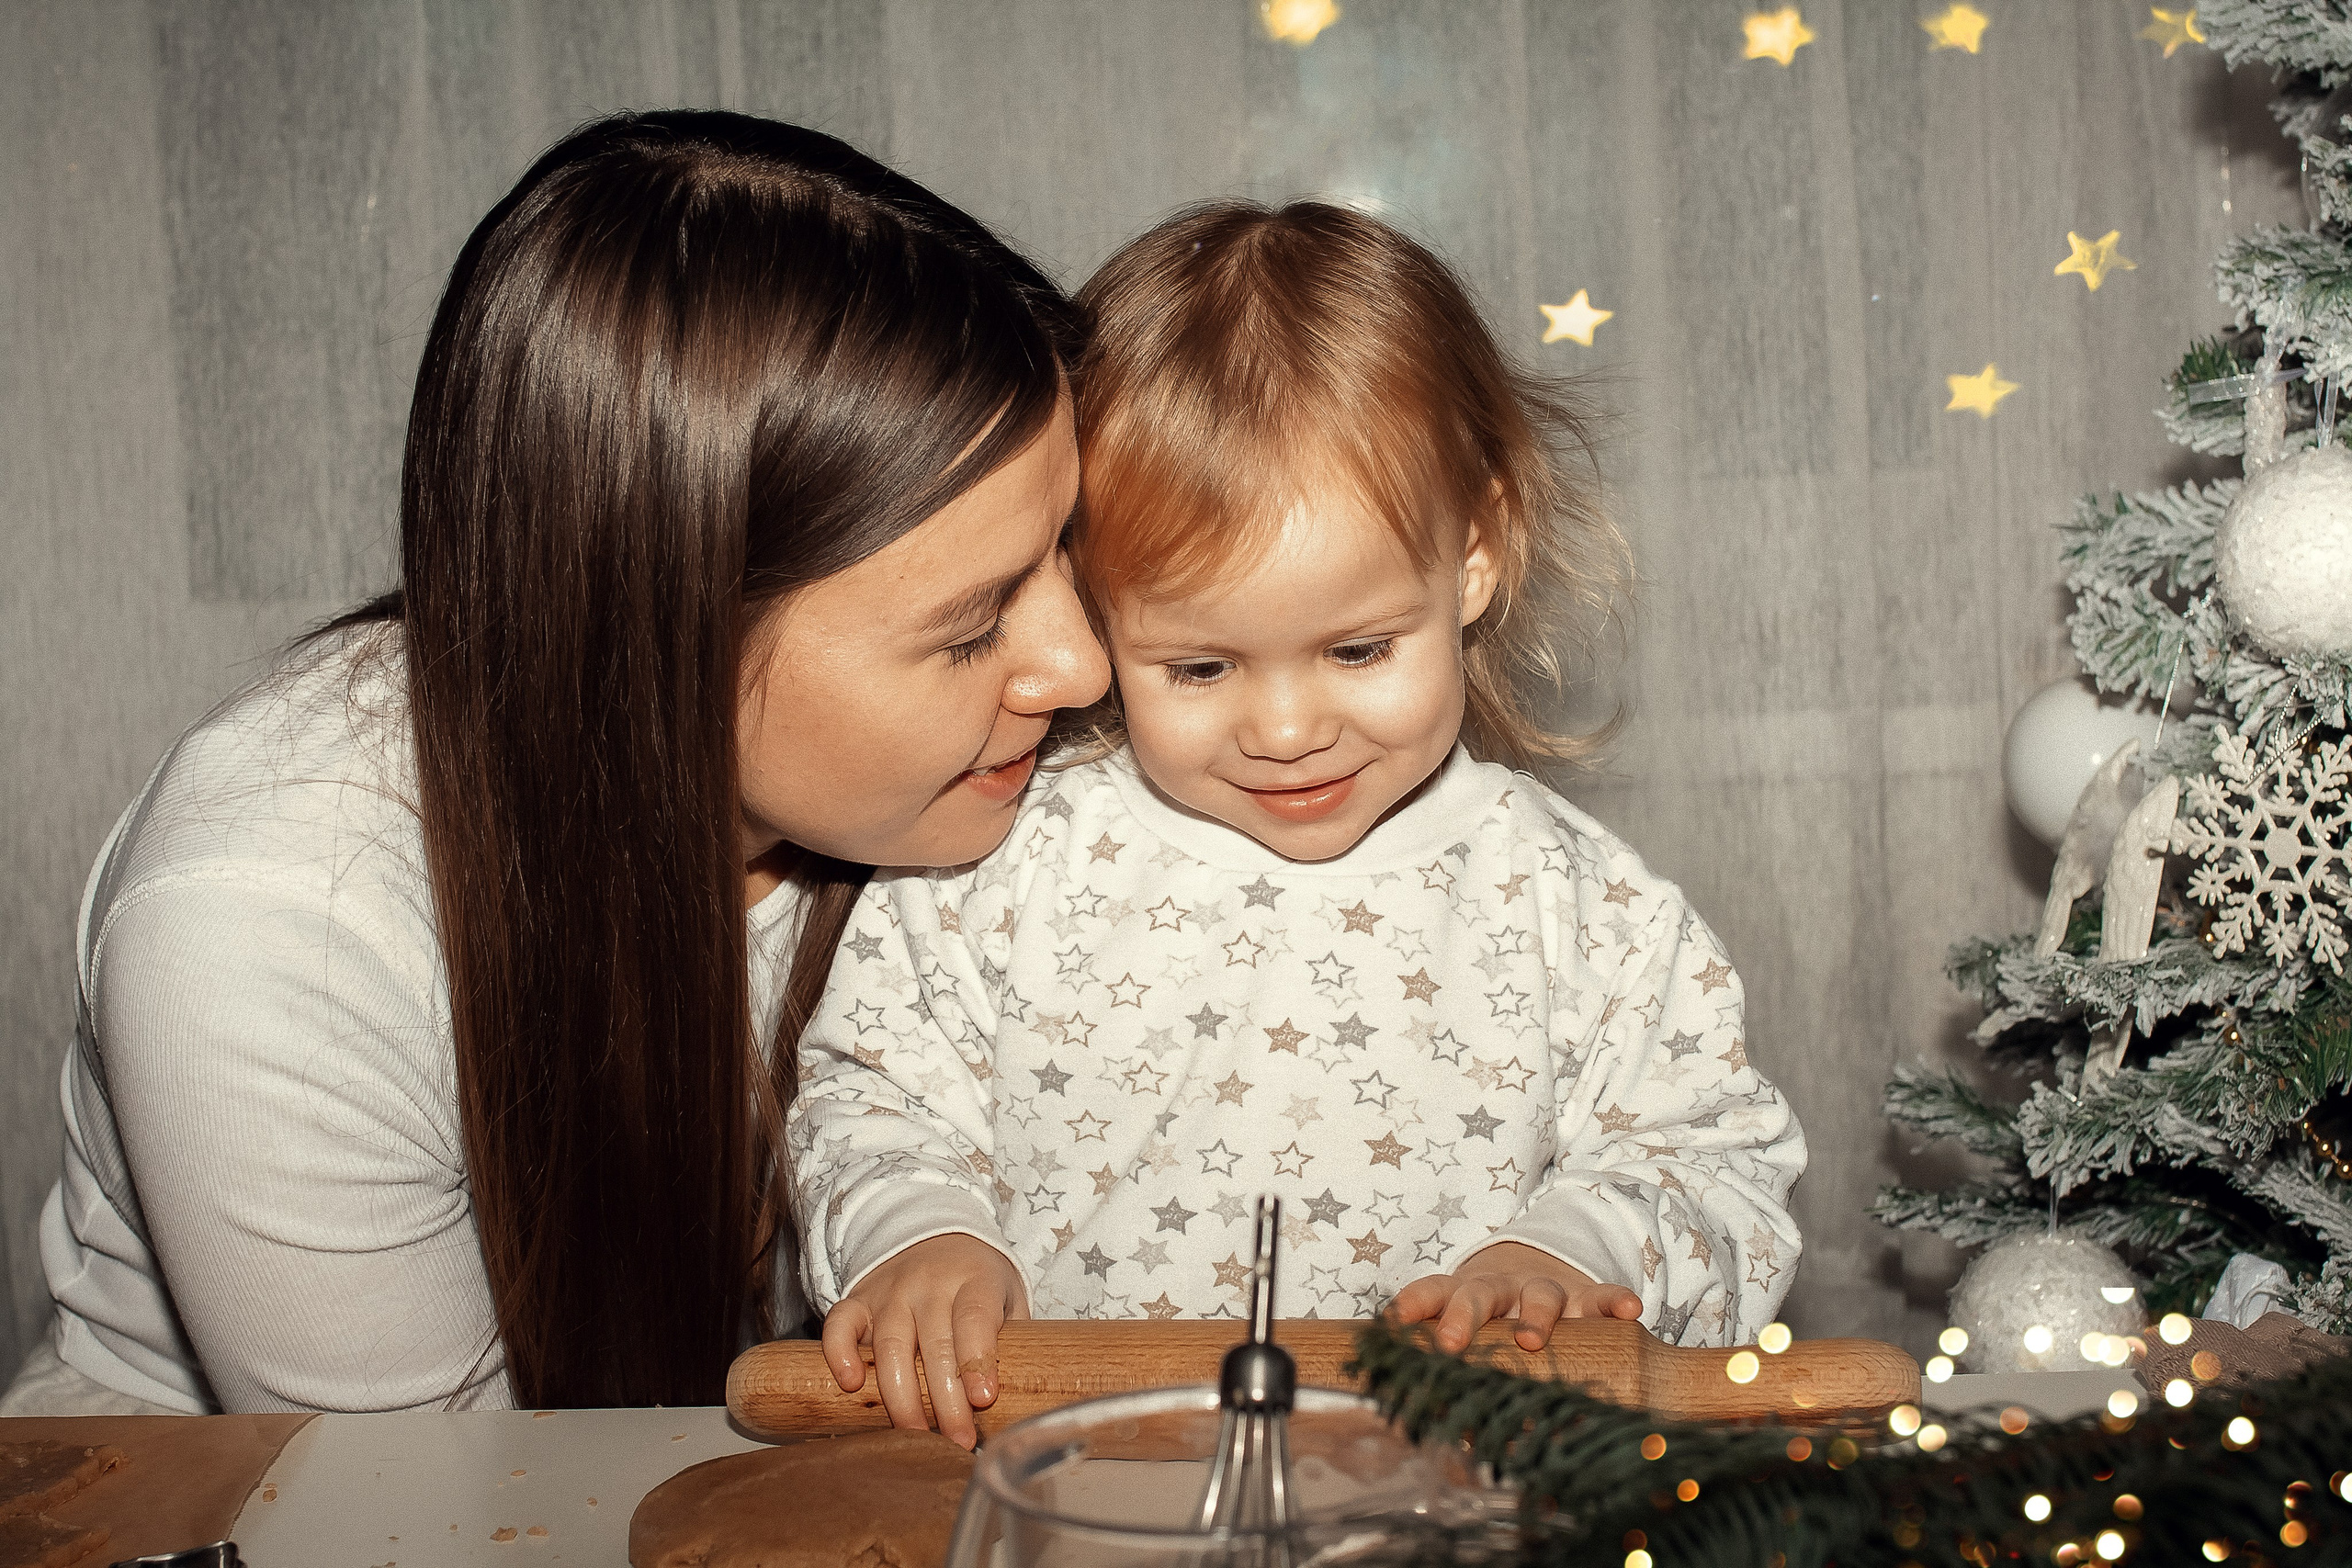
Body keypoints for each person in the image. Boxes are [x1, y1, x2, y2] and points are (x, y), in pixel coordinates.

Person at [15, 110, 1108, 1416]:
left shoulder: (990, 784)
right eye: (974, 626)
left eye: (1068, 550)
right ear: (667, 632)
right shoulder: (265, 926)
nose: (1081, 667)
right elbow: (422, 1517)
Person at [791, 200, 1808, 1448]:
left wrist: (1571, 1251)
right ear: (1095, 602)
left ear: (1475, 555)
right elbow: (872, 1095)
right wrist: (921, 1234)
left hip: (1449, 1499)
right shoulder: (1000, 863)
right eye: (1201, 669)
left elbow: (1719, 1164)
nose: (1284, 730)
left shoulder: (1574, 903)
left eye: (1357, 647)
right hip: (1081, 1486)